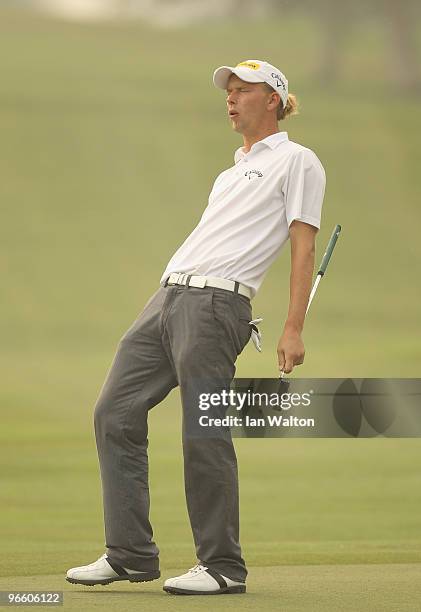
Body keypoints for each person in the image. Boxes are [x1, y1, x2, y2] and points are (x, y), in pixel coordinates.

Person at [65, 59, 326, 596]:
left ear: (272, 99)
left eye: (243, 91)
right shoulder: (230, 171)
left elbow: (304, 242)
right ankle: (130, 553)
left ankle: (223, 566)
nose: (230, 99)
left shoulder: (298, 161)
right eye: (228, 91)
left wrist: (292, 326)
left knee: (203, 430)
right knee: (114, 412)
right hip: (168, 297)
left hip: (216, 305)